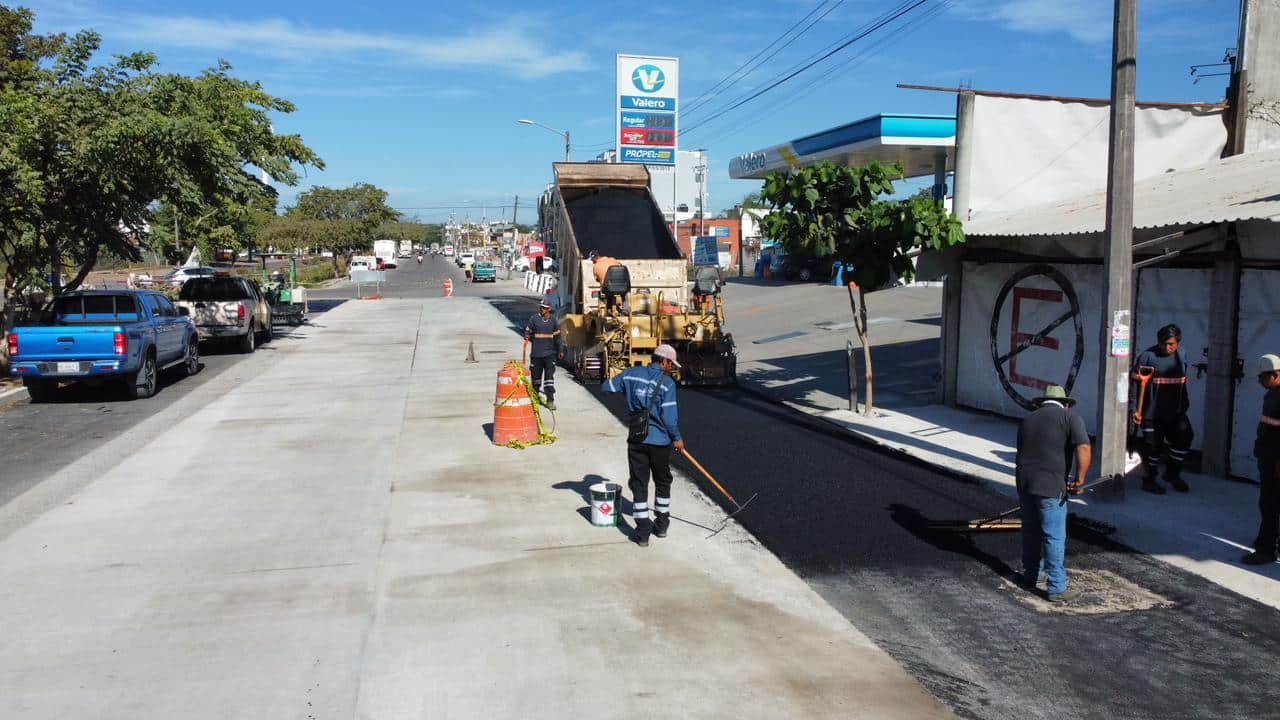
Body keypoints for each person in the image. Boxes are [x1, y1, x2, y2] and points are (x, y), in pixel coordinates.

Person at [602, 344, 684, 547]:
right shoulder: (668, 384)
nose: (670, 369)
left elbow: (606, 387)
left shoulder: (631, 374)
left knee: (639, 483)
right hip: (660, 442)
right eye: (670, 365)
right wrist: (677, 438)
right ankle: (662, 524)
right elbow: (669, 418)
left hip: (637, 440)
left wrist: (629, 394)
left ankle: (642, 533)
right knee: (662, 481)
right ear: (663, 361)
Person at [1015, 385, 1092, 603]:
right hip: (1050, 485)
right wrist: (1080, 479)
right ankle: (1057, 587)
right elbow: (1084, 448)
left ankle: (1031, 575)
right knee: (1053, 535)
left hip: (1025, 482)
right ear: (1066, 403)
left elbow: (1021, 451)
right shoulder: (1070, 417)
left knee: (1031, 531)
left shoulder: (1027, 419)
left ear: (1042, 402)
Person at [1130, 324, 1193, 494]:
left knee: (1184, 438)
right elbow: (1135, 385)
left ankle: (1172, 474)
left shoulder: (1182, 356)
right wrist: (1134, 409)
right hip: (1151, 413)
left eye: (1171, 344)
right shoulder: (1147, 357)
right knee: (1153, 446)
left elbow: (1183, 382)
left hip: (1176, 411)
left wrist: (1185, 403)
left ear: (1178, 343)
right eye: (1163, 343)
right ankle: (1149, 479)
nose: (1167, 347)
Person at [1242, 354, 1280, 565]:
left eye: (1263, 378)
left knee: (1270, 503)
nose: (1260, 382)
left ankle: (1267, 549)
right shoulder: (1272, 393)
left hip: (1275, 461)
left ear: (1275, 374)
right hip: (1269, 457)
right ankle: (1267, 539)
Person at [523, 298, 563, 411]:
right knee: (536, 380)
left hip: (550, 355)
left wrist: (560, 350)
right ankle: (535, 399)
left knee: (549, 379)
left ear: (549, 309)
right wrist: (526, 335)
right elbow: (527, 330)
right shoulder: (534, 319)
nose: (541, 309)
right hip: (536, 355)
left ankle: (550, 401)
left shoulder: (553, 321)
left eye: (544, 308)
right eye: (541, 307)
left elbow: (558, 338)